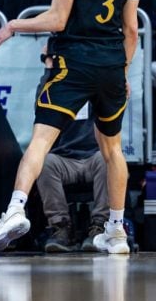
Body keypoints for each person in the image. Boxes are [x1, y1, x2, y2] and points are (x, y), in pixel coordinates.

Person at [0, 0, 138, 254]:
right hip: (111, 66)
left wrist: (14, 24)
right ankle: (116, 231)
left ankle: (14, 211)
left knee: (39, 142)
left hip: (74, 63)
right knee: (113, 150)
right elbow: (131, 32)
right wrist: (124, 70)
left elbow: (56, 20)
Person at [37, 102, 111, 253]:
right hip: (64, 157)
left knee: (108, 159)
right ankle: (61, 229)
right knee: (45, 163)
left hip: (94, 155)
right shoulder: (54, 84)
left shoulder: (99, 83)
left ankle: (100, 226)